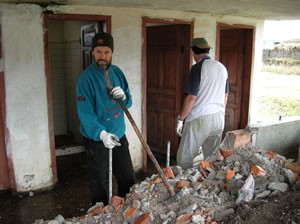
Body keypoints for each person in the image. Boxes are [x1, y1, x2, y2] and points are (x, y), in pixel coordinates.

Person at [76, 32, 135, 205]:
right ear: (92, 53)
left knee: (127, 177)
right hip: (97, 139)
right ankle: (100, 215)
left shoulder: (117, 72)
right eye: (99, 52)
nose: (103, 56)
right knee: (99, 182)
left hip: (118, 135)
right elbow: (85, 113)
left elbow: (129, 101)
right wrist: (101, 134)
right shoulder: (85, 79)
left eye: (107, 52)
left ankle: (127, 209)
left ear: (111, 53)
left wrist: (124, 97)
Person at [176, 37, 229, 170]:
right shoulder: (222, 67)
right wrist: (220, 110)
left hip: (200, 118)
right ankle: (210, 182)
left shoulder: (198, 68)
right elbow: (225, 95)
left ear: (194, 52)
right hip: (218, 117)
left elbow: (191, 98)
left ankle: (184, 185)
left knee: (185, 157)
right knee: (212, 156)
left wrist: (181, 119)